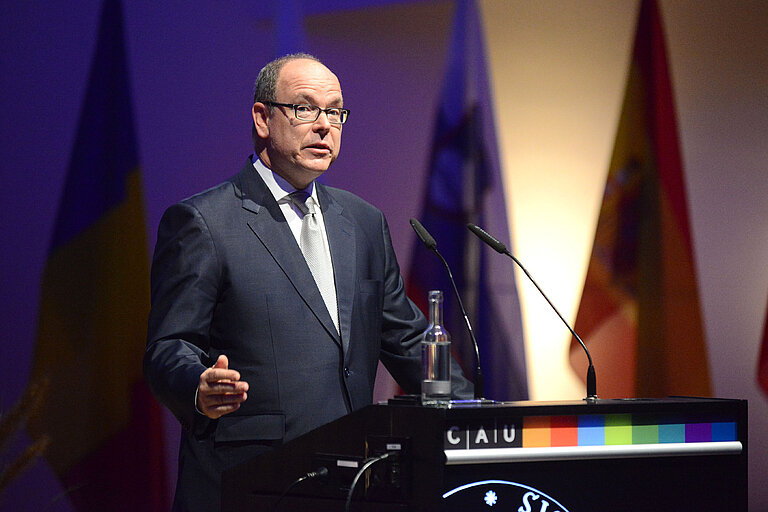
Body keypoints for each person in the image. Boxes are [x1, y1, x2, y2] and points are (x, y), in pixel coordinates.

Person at [144, 53, 473, 512]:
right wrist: (198, 385)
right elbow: (167, 346)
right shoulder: (204, 222)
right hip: (249, 485)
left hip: (349, 484)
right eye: (304, 108)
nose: (324, 125)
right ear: (262, 118)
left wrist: (478, 416)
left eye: (335, 112)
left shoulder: (362, 221)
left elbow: (409, 338)